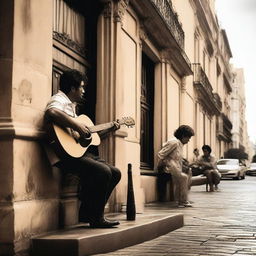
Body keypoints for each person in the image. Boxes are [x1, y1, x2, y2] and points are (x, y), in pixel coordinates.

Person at [44, 69, 121, 228]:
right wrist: (77, 125)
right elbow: (51, 112)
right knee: (103, 171)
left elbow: (93, 139)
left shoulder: (71, 107)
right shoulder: (59, 99)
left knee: (115, 172)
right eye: (82, 87)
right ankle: (96, 218)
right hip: (62, 155)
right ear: (72, 88)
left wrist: (110, 129)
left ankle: (88, 213)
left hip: (77, 153)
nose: (84, 90)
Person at [157, 125, 195, 207]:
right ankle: (182, 201)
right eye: (188, 137)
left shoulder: (180, 144)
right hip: (169, 167)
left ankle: (182, 200)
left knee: (186, 176)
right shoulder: (174, 142)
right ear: (183, 136)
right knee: (183, 178)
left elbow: (177, 157)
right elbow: (161, 154)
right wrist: (166, 164)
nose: (189, 140)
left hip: (176, 167)